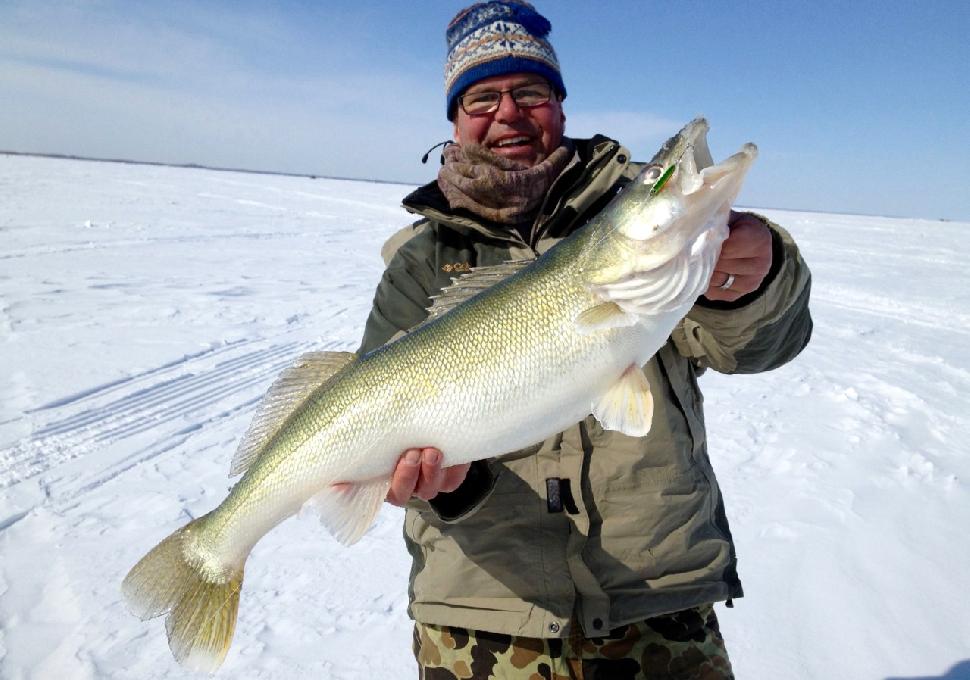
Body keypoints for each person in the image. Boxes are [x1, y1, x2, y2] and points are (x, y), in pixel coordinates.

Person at [357, 2, 812, 678]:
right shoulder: (421, 261)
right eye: (482, 97)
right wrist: (443, 485)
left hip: (660, 600)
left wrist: (754, 280)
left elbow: (754, 346)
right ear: (454, 118)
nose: (508, 112)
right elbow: (380, 420)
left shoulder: (648, 248)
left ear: (560, 108)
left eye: (530, 92)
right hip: (481, 616)